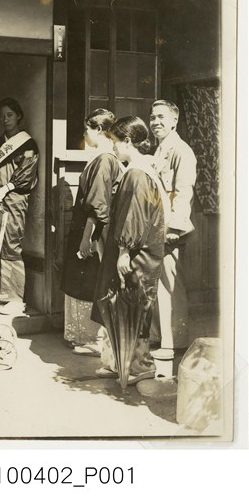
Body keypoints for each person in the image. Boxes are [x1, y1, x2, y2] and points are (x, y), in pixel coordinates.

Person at [91, 116, 168, 385]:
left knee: (134, 306)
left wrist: (124, 250)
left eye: (115, 141)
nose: (113, 146)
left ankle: (141, 365)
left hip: (137, 253)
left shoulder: (137, 173)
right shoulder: (138, 170)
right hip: (133, 249)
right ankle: (120, 362)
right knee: (121, 304)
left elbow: (136, 215)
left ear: (127, 141)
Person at [60, 109, 122, 358]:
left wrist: (87, 238)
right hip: (88, 227)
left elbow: (98, 205)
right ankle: (85, 336)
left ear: (99, 130)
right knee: (83, 279)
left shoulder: (105, 159)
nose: (85, 133)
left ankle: (93, 339)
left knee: (89, 281)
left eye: (88, 128)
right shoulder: (101, 158)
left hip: (93, 230)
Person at [0, 97, 39, 316]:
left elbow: (27, 173)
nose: (5, 119)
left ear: (18, 115)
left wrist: (4, 190)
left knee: (10, 246)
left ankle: (14, 299)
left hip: (13, 201)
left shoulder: (28, 145)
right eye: (2, 116)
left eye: (9, 115)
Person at [148, 100, 197, 359]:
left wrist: (175, 228)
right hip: (156, 227)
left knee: (170, 284)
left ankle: (174, 343)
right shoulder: (159, 150)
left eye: (161, 117)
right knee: (158, 284)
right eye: (152, 117)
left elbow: (183, 192)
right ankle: (159, 337)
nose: (155, 122)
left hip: (170, 229)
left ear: (174, 121)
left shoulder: (181, 151)